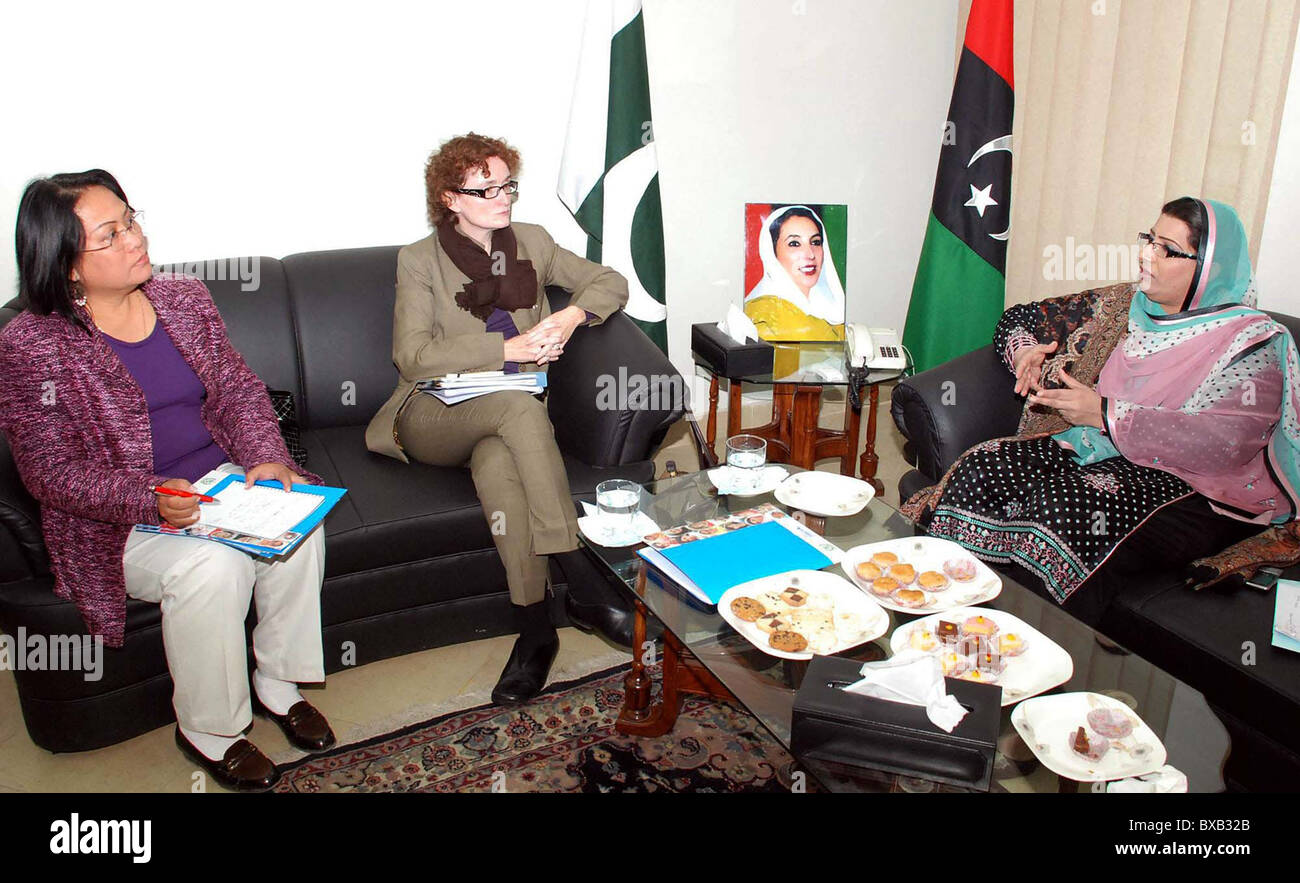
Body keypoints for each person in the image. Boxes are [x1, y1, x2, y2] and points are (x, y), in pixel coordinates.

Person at [0, 170, 335, 791]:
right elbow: (47, 472)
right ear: (67, 264)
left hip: (219, 482)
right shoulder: (32, 344)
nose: (135, 238)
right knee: (215, 569)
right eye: (110, 234)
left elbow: (236, 388)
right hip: (117, 521)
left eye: (131, 219)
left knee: (297, 518)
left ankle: (279, 683)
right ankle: (211, 729)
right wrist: (147, 499)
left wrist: (265, 456)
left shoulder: (183, 298)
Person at [904, 197, 1300, 624]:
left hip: (1201, 486)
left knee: (1062, 507)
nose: (1146, 254)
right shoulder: (1122, 305)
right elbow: (1018, 318)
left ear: (1209, 268)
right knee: (983, 468)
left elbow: (1224, 445)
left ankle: (1028, 645)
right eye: (1148, 239)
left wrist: (1106, 414)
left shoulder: (1252, 342)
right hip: (1100, 446)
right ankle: (941, 615)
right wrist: (1025, 353)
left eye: (1165, 248)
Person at [365, 133, 633, 705]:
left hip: (506, 415)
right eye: (484, 189)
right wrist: (504, 352)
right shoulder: (419, 260)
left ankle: (535, 632)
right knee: (517, 406)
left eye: (507, 183)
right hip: (432, 412)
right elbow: (410, 356)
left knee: (500, 465)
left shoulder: (533, 242)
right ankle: (580, 574)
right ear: (450, 198)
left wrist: (570, 319)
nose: (502, 197)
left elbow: (610, 280)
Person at [743, 204, 846, 341]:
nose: (810, 254)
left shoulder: (832, 307)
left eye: (815, 242)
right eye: (794, 244)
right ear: (772, 253)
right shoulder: (764, 314)